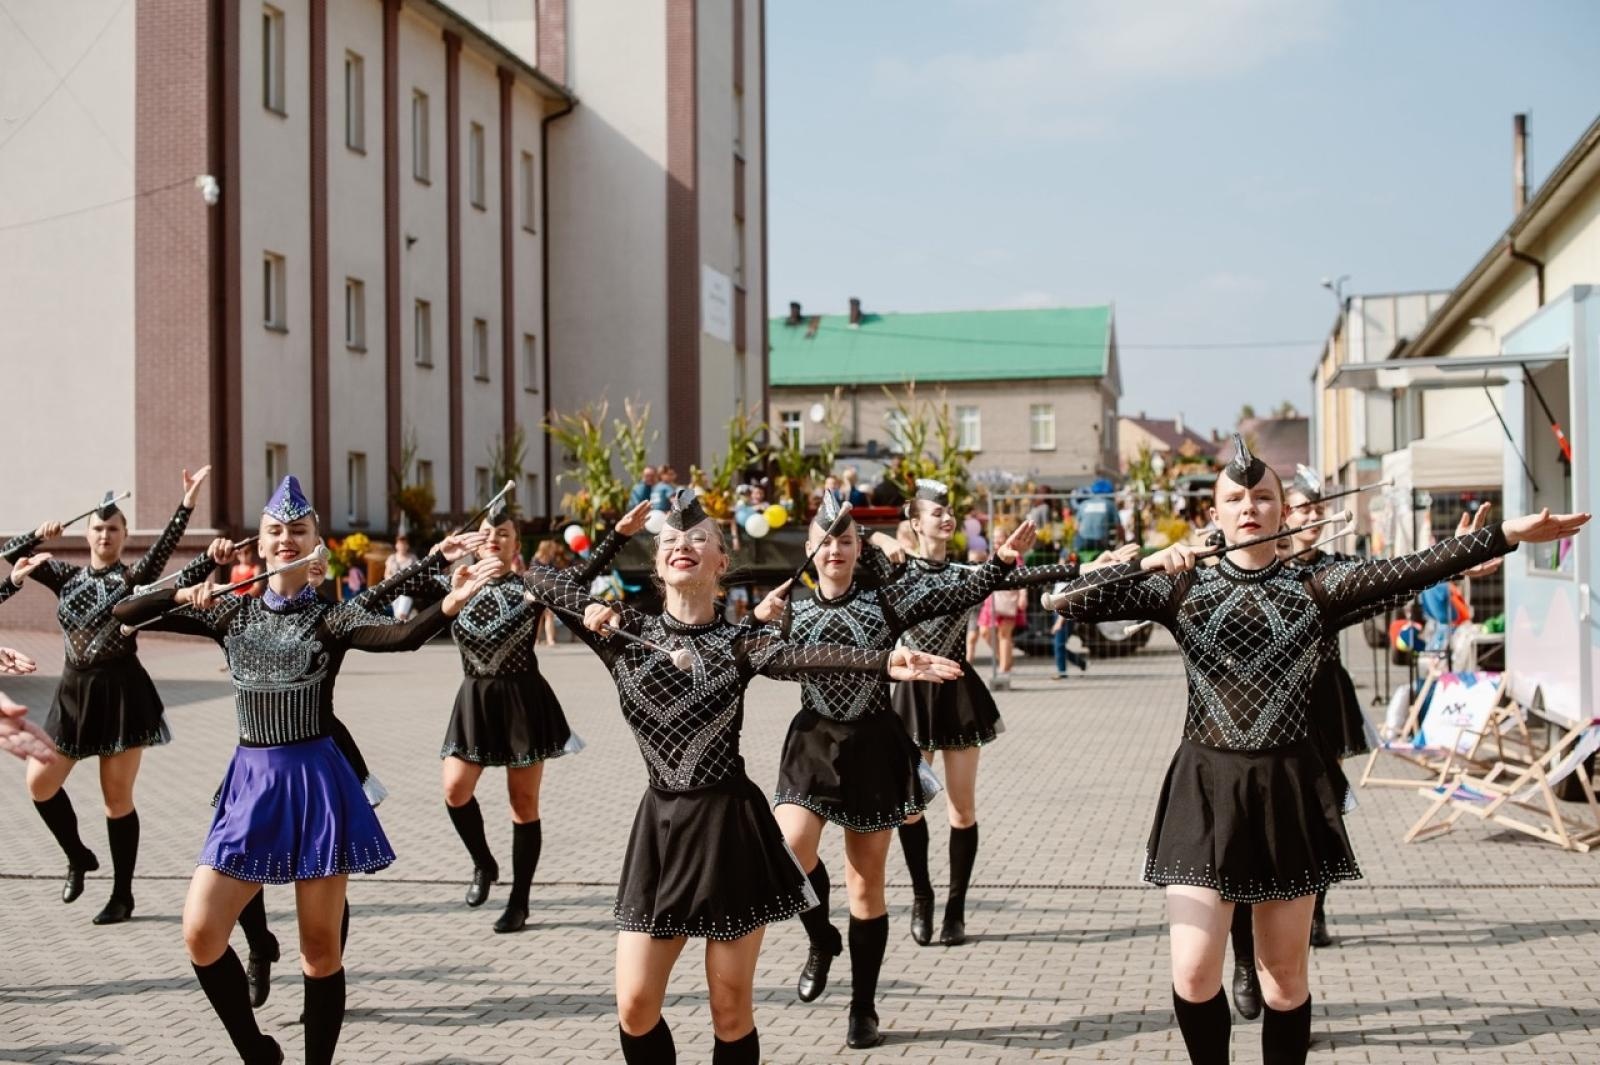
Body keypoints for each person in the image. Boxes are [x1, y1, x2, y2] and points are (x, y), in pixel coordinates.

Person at [1047, 435, 1585, 1065]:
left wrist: (1510, 533)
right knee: (1193, 973)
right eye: (1234, 497)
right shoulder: (1181, 584)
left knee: (1283, 980)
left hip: (1287, 787)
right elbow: (1065, 604)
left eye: (1263, 496)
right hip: (1204, 785)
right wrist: (1139, 565)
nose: (1249, 505)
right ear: (1214, 513)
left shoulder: (1320, 584)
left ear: (1283, 510)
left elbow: (1415, 566)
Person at [565, 488, 963, 1065]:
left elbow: (805, 658)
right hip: (661, 832)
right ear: (656, 564)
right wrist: (608, 553)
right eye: (671, 540)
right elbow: (542, 584)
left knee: (729, 1009)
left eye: (700, 538)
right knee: (634, 1004)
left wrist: (883, 661)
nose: (684, 546)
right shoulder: (624, 638)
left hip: (729, 830)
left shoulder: (741, 643)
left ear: (721, 562)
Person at [112, 475, 500, 1065]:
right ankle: (256, 1051)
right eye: (276, 531)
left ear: (318, 544)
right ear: (259, 544)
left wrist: (449, 601)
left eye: (299, 530)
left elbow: (399, 637)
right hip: (250, 785)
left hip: (316, 784)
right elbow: (126, 610)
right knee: (201, 932)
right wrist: (189, 588)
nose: (286, 539)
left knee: (320, 950)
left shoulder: (329, 619)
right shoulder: (232, 615)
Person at [751, 491, 1040, 1048]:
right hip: (813, 742)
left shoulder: (884, 602)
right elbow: (749, 656)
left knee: (865, 884)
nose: (835, 548)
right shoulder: (789, 609)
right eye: (825, 539)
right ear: (809, 549)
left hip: (872, 745)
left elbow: (954, 589)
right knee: (790, 853)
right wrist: (756, 624)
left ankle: (863, 1007)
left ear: (859, 548)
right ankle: (821, 938)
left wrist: (1000, 565)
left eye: (846, 539)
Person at [361, 501, 647, 933]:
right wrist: (444, 552)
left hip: (522, 701)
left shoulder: (532, 584)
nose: (494, 540)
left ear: (516, 544)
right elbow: (394, 580)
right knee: (455, 790)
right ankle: (483, 863)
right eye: (488, 534)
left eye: (505, 535)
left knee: (523, 803)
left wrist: (619, 535)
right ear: (477, 542)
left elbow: (582, 575)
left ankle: (519, 900)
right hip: (474, 698)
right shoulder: (452, 582)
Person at [890, 479, 1099, 948]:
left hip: (958, 694)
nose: (947, 518)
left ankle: (956, 909)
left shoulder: (969, 572)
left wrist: (1086, 566)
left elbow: (1021, 579)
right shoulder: (898, 574)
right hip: (911, 692)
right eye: (936, 512)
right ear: (916, 522)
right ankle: (922, 895)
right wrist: (886, 541)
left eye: (950, 511)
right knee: (908, 807)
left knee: (961, 809)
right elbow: (861, 549)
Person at [2, 467, 211, 924]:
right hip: (72, 695)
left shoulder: (133, 579)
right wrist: (38, 533)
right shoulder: (63, 575)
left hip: (121, 696)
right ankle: (77, 856)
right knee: (40, 783)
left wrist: (187, 504)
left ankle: (122, 895)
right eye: (97, 528)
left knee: (116, 799)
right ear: (88, 533)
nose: (104, 535)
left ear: (123, 534)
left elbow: (164, 554)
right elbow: (10, 555)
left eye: (113, 528)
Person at [383, 533, 418, 620]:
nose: (402, 546)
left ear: (407, 545)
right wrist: (392, 580)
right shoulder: (391, 558)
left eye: (404, 544)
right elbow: (386, 574)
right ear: (396, 545)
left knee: (402, 615)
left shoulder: (412, 558)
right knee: (397, 616)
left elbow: (417, 574)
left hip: (407, 591)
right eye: (400, 544)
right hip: (393, 591)